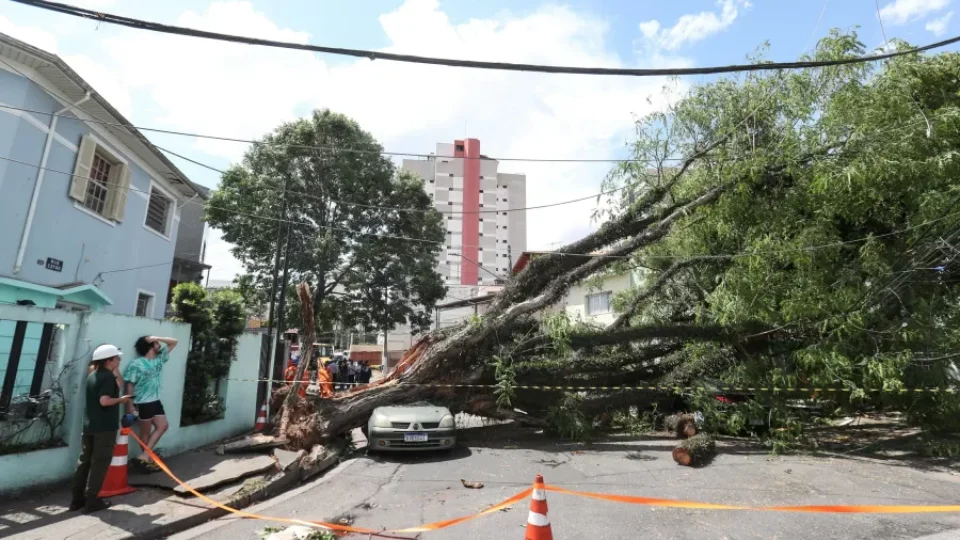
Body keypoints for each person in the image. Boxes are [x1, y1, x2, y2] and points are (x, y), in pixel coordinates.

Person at [71, 344, 133, 513]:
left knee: (84, 461)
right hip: (104, 428)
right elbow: (104, 401)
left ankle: (77, 499)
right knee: (100, 463)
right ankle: (92, 501)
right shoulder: (107, 377)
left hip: (89, 425)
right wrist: (123, 399)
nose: (119, 360)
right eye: (117, 358)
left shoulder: (92, 376)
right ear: (109, 361)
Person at [124, 335, 178, 471]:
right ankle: (145, 460)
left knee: (163, 426)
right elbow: (129, 384)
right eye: (156, 342)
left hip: (155, 400)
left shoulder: (159, 358)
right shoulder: (136, 364)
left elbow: (174, 342)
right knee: (145, 432)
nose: (159, 344)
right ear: (149, 346)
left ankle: (145, 456)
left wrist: (156, 336)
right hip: (142, 401)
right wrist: (129, 404)